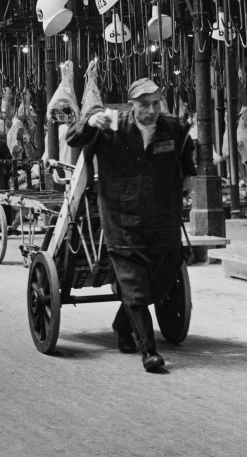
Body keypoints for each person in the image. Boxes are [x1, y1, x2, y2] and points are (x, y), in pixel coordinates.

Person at [66, 78, 196, 373]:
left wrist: (189, 175)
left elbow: (186, 152)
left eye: (156, 103)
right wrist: (90, 123)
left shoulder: (172, 128)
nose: (152, 110)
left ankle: (122, 324)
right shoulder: (112, 126)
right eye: (144, 105)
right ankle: (148, 351)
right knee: (134, 284)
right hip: (122, 219)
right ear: (131, 105)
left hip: (163, 219)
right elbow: (73, 138)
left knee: (164, 276)